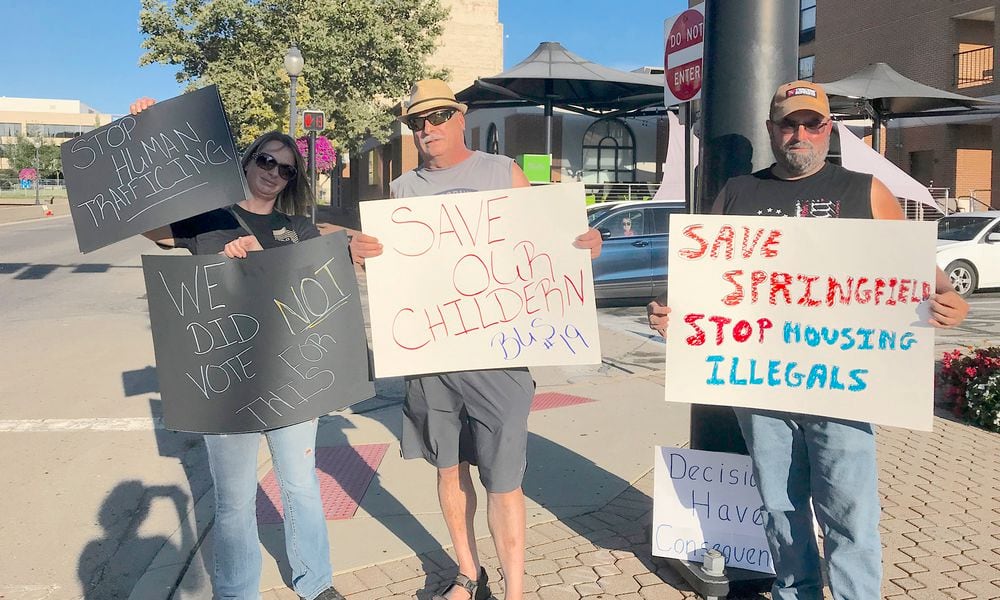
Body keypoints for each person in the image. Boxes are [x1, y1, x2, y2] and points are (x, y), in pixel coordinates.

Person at [646, 80, 969, 600]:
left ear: (829, 129)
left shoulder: (863, 190)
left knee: (850, 515)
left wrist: (948, 296)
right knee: (779, 509)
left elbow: (920, 275)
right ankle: (793, 593)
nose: (800, 133)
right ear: (773, 131)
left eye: (811, 123)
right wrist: (672, 315)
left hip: (844, 386)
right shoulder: (738, 192)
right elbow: (705, 284)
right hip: (760, 386)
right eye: (788, 124)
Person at [350, 80, 602, 600]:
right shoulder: (401, 190)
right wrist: (363, 250)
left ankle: (515, 588)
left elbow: (545, 239)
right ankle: (468, 571)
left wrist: (581, 243)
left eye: (439, 115)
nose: (427, 127)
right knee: (448, 471)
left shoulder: (501, 171)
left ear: (460, 117)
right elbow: (397, 273)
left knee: (504, 480)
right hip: (432, 357)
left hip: (498, 357)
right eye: (417, 120)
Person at [131, 98, 343, 600]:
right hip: (224, 379)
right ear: (246, 162)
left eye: (286, 169)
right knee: (234, 500)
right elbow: (149, 222)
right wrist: (147, 133)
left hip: (291, 378)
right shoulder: (206, 219)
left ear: (293, 180)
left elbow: (320, 281)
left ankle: (316, 583)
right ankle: (236, 592)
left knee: (300, 487)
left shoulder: (301, 230)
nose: (274, 172)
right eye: (266, 160)